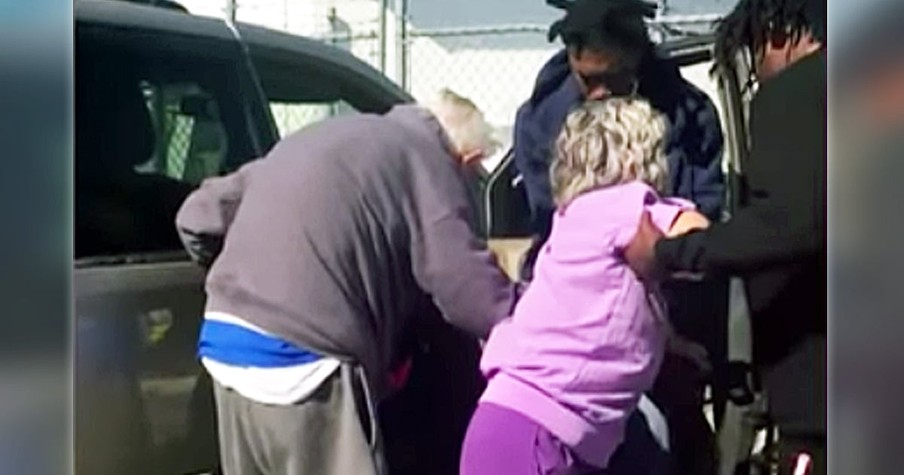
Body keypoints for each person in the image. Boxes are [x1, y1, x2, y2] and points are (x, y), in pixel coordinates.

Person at [175, 89, 521, 475]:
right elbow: (465, 290)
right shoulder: (430, 163)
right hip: (305, 359)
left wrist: (242, 280)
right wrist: (533, 317)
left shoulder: (324, 137)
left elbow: (195, 216)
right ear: (467, 160)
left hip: (225, 345)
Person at [513, 1, 727, 472]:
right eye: (587, 80)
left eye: (613, 79)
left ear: (638, 58)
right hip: (575, 331)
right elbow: (551, 223)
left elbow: (699, 229)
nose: (600, 94)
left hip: (664, 315)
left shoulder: (690, 119)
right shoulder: (543, 114)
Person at [623, 0, 827, 473]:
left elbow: (787, 223)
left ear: (776, 31)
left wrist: (669, 252)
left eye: (754, 53)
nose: (759, 71)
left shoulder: (796, 93)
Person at [460, 97, 710, 475]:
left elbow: (602, 319)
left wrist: (674, 344)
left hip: (506, 424)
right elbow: (698, 239)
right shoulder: (624, 205)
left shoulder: (573, 221)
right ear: (635, 160)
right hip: (539, 436)